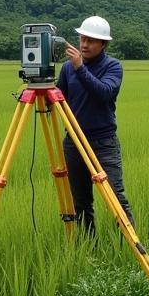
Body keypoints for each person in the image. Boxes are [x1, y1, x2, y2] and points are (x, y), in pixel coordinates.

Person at [56, 15, 135, 235]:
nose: (84, 44)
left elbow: (104, 93)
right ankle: (87, 249)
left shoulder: (113, 67)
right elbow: (60, 97)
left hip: (103, 143)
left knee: (115, 197)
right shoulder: (67, 68)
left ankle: (131, 248)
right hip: (74, 142)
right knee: (80, 202)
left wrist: (80, 68)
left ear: (103, 44)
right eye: (82, 39)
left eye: (90, 40)